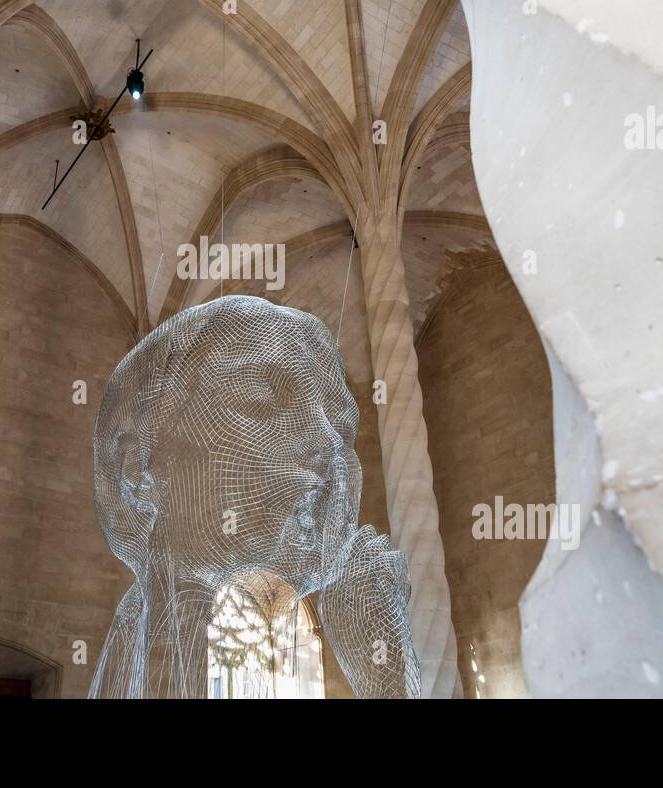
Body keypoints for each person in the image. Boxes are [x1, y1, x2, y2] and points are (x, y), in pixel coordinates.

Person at [89, 295, 419, 698]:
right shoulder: (143, 641)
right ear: (136, 466)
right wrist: (386, 685)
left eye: (339, 424)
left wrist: (384, 668)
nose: (327, 441)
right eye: (259, 401)